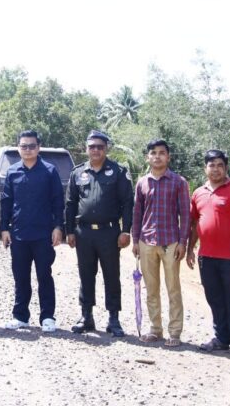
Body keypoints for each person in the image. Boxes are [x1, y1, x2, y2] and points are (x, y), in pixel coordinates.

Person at [65, 130, 133, 337]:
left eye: (100, 147)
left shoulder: (118, 172)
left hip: (109, 233)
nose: (96, 150)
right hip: (84, 233)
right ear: (86, 148)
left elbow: (127, 204)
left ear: (106, 148)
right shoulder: (78, 173)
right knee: (86, 275)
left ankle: (113, 319)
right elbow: (70, 203)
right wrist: (69, 231)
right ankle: (86, 316)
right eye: (92, 146)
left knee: (112, 275)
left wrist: (126, 231)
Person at [187, 150, 230, 354]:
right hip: (206, 256)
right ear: (205, 168)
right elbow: (194, 223)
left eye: (219, 165)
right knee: (213, 296)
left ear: (226, 168)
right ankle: (221, 337)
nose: (215, 169)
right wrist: (190, 249)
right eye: (211, 165)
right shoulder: (198, 193)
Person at [1, 130, 64, 332]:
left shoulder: (49, 171)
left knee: (44, 276)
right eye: (24, 146)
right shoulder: (12, 172)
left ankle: (48, 317)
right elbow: (6, 202)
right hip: (19, 234)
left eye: (32, 146)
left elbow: (58, 201)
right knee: (21, 277)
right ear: (18, 148)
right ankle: (20, 316)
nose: (27, 149)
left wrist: (58, 227)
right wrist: (4, 228)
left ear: (38, 147)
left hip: (43, 235)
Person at [131, 139, 190, 347]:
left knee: (173, 288)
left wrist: (183, 242)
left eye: (162, 153)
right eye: (153, 153)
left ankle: (175, 332)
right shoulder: (142, 183)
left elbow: (185, 214)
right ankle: (155, 329)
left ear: (168, 157)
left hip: (171, 241)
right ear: (147, 157)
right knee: (151, 288)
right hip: (146, 241)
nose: (157, 156)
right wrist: (135, 240)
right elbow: (137, 213)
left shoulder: (179, 182)